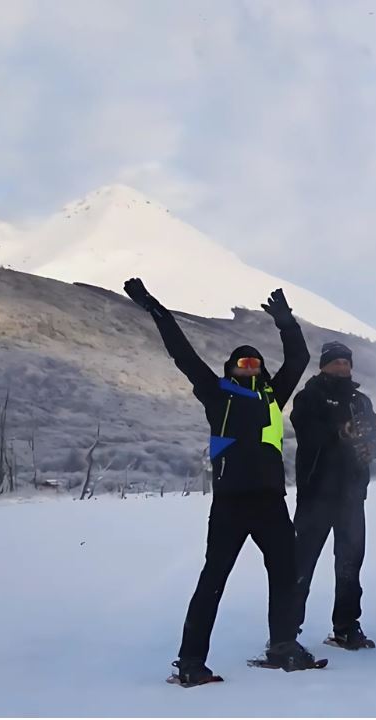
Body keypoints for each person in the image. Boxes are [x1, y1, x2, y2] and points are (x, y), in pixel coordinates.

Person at [122, 278, 320, 686]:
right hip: (230, 504)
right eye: (241, 364)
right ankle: (191, 661)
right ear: (230, 369)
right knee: (213, 579)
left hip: (270, 502)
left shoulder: (272, 396)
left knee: (287, 573)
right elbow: (182, 354)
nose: (249, 368)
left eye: (255, 364)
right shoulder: (216, 394)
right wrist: (155, 308)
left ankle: (283, 645)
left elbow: (298, 359)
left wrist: (286, 323)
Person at [289, 340, 376, 650]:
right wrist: (340, 433)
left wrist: (372, 446)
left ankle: (346, 626)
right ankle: (286, 630)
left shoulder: (361, 401)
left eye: (346, 362)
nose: (342, 367)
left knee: (349, 563)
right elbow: (307, 431)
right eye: (336, 362)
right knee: (300, 564)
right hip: (317, 493)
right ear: (323, 365)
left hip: (352, 494)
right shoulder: (309, 397)